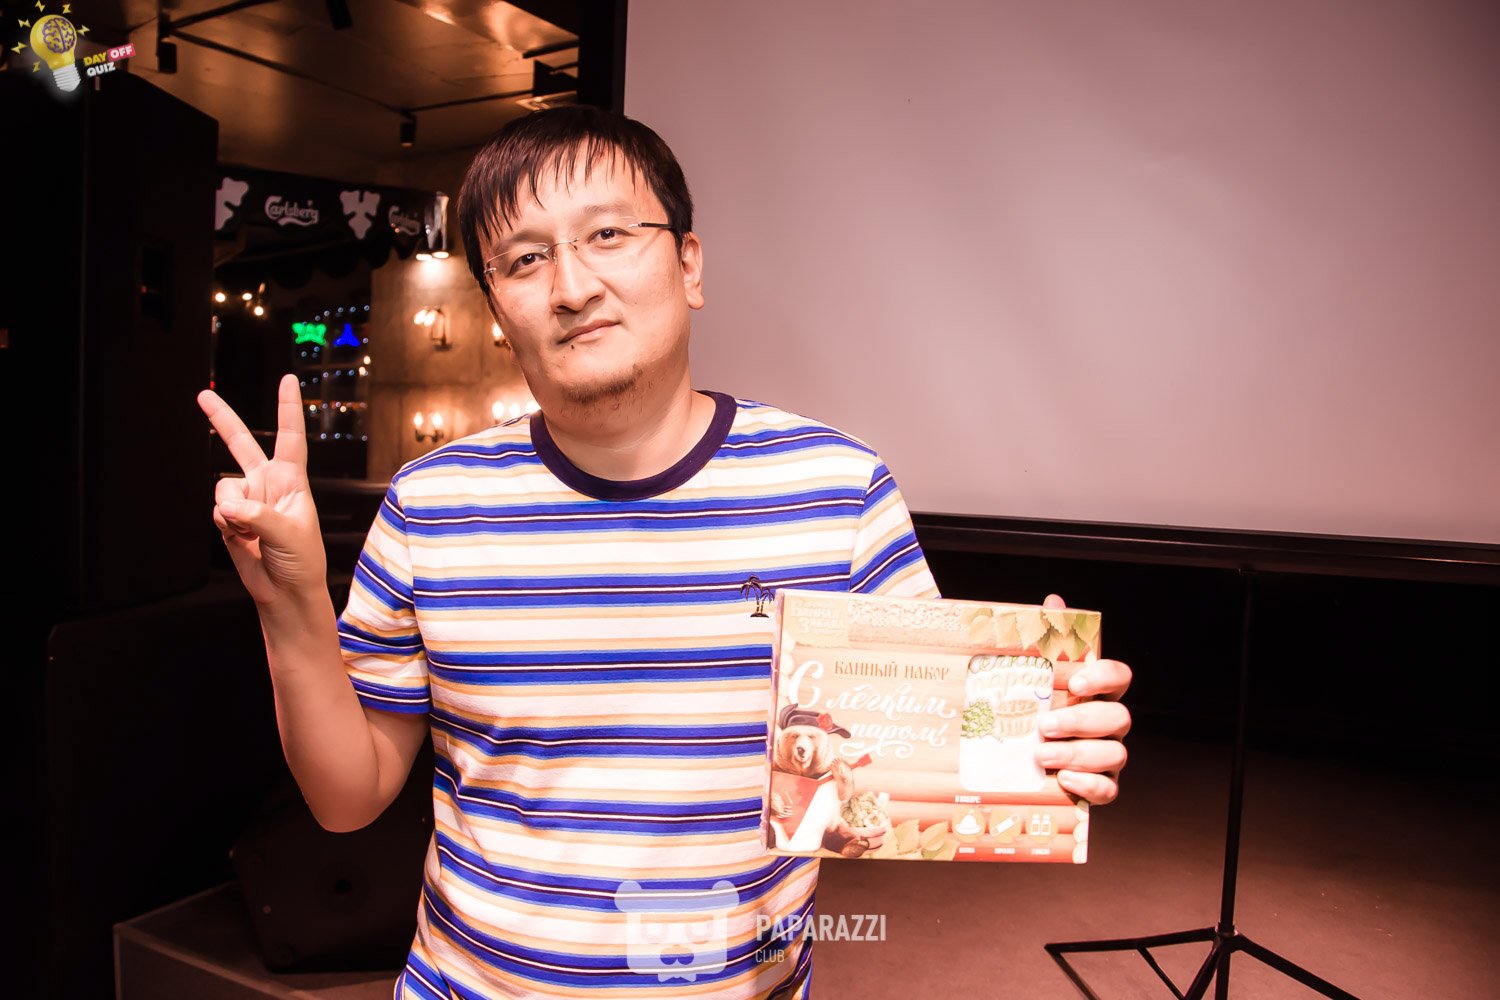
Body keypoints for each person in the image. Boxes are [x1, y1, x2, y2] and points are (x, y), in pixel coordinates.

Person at [197, 106, 1132, 1000]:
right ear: (497, 311)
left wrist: (1032, 729)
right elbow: (347, 798)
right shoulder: (432, 506)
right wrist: (290, 602)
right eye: (525, 259)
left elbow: (917, 754)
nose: (571, 286)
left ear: (688, 264)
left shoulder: (838, 489)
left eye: (608, 235)